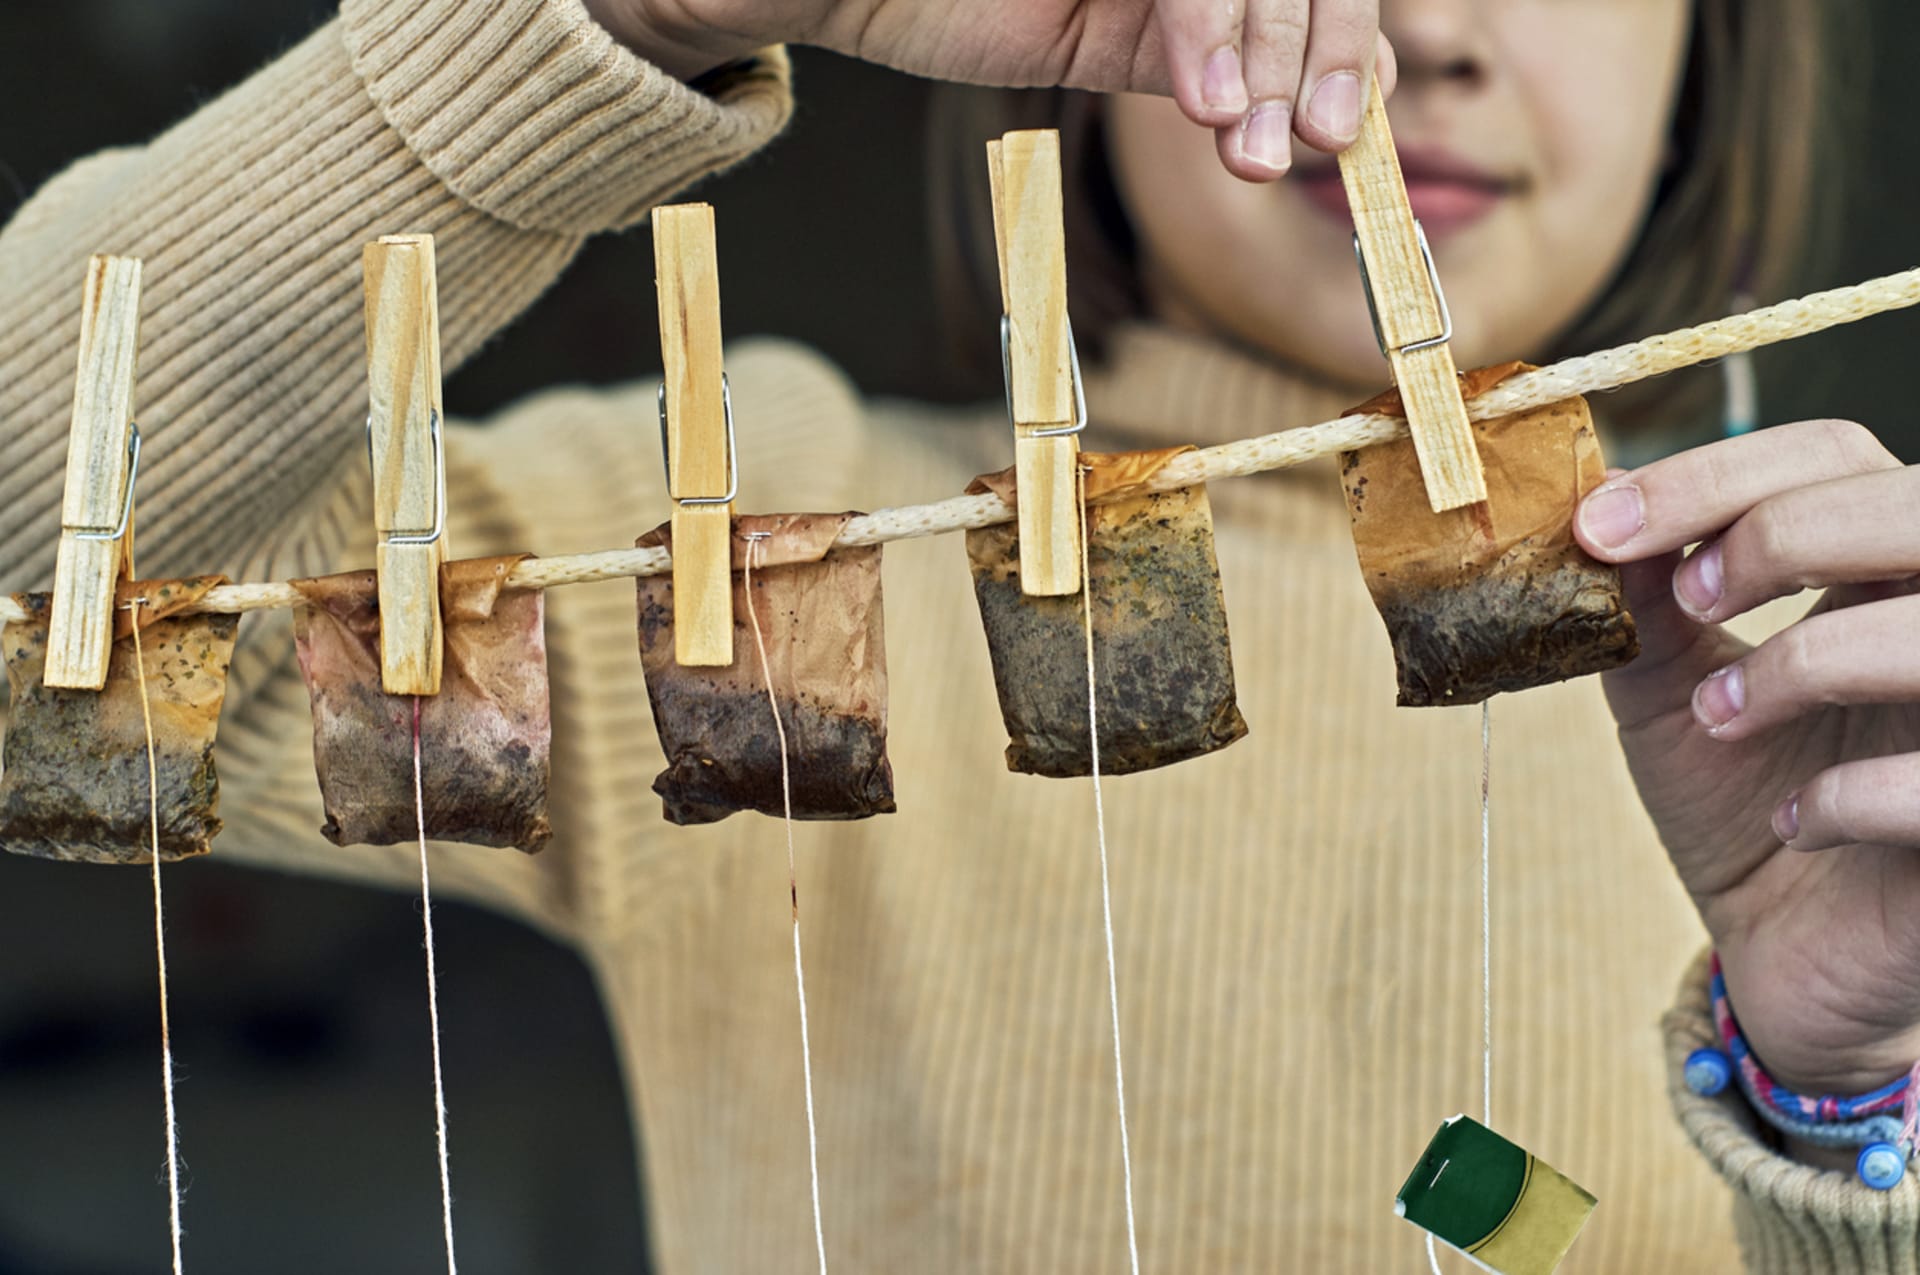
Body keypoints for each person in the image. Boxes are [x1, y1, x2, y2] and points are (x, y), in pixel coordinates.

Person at [0, 0, 1915, 1269]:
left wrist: (1848, 1099)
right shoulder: (735, 549)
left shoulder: (1840, 672)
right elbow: (30, 622)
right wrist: (602, 20)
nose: (1415, 33)